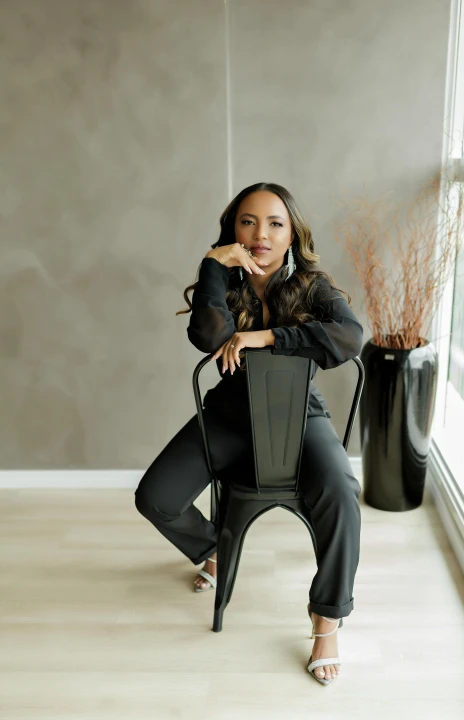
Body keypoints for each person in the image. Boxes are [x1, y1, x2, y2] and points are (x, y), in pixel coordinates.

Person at [134, 182, 364, 685]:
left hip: (300, 416)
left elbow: (350, 335)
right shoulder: (225, 280)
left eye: (275, 224)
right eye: (248, 221)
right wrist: (213, 266)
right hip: (229, 417)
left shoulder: (311, 285)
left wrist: (264, 335)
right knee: (155, 497)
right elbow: (209, 335)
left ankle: (327, 619)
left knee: (343, 491)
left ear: (291, 234)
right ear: (233, 229)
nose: (261, 234)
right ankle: (215, 550)